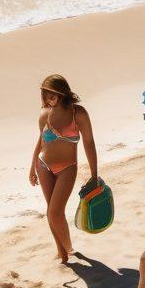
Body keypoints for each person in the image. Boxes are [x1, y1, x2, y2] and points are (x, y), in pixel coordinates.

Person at [28, 74, 98, 264]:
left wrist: (94, 174)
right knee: (52, 211)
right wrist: (32, 166)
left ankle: (66, 248)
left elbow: (89, 143)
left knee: (54, 212)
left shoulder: (78, 113)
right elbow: (41, 140)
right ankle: (63, 252)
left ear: (62, 92)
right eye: (45, 95)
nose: (48, 98)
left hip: (67, 167)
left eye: (52, 94)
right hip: (44, 165)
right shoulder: (45, 114)